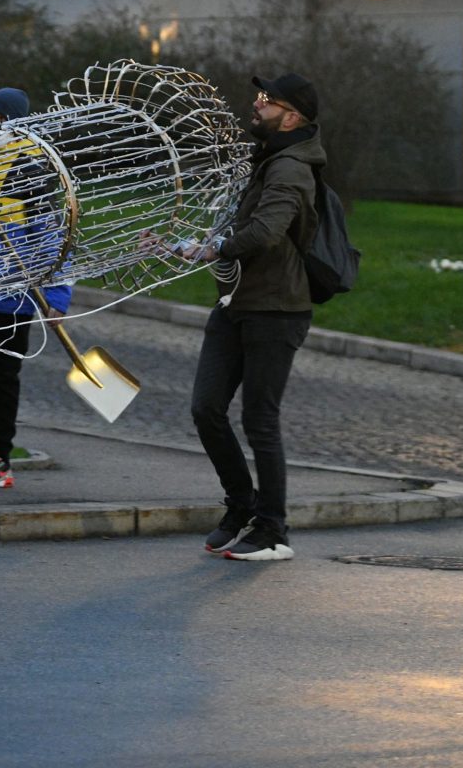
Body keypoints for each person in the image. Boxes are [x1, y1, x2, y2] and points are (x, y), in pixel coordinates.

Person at [181, 72, 326, 563]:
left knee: (260, 420)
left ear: (291, 118)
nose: (257, 104)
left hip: (276, 309)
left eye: (267, 100)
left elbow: (266, 231)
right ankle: (242, 503)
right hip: (236, 305)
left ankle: (273, 530)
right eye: (259, 97)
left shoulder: (291, 167)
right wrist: (186, 245)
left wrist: (215, 249)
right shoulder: (267, 158)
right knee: (206, 408)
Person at [0, 87, 72, 489]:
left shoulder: (32, 170)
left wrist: (57, 297)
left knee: (4, 376)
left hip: (14, 297)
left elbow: (54, 240)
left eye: (0, 119)